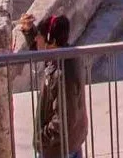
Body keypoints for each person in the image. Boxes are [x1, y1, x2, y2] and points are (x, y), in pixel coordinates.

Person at [29, 13, 87, 158]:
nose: (36, 39)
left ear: (52, 42)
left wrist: (41, 138)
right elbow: (41, 51)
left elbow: (64, 119)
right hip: (66, 144)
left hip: (58, 149)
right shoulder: (61, 54)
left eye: (39, 36)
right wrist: (29, 31)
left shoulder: (63, 74)